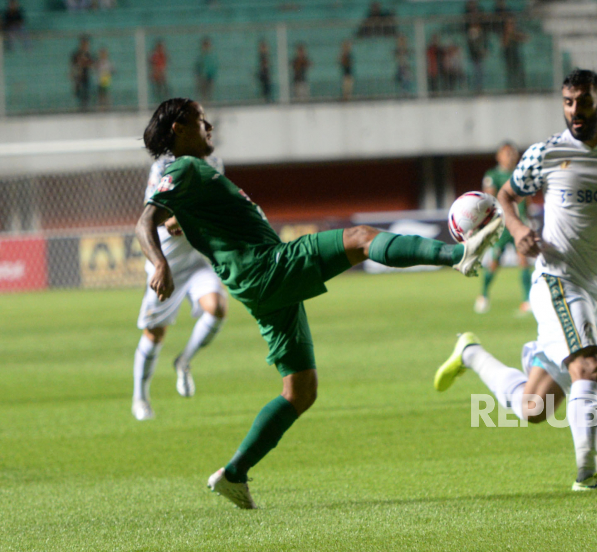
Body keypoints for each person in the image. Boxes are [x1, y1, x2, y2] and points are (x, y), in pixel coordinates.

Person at [136, 98, 504, 509]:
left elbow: (178, 217)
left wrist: (183, 222)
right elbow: (144, 221)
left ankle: (234, 474)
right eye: (201, 121)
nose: (210, 127)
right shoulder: (183, 167)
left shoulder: (196, 173)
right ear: (178, 128)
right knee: (362, 238)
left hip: (259, 283)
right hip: (265, 268)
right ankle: (458, 255)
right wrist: (159, 263)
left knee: (301, 390)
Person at [434, 69, 597, 491]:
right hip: (557, 278)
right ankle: (587, 474)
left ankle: (470, 353)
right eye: (567, 101)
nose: (574, 110)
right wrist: (517, 229)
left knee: (533, 406)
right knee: (588, 366)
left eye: (582, 100)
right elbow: (506, 196)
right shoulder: (547, 153)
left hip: (595, 289)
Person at [132, 153, 228, 421]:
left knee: (217, 307)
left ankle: (184, 361)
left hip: (197, 260)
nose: (207, 129)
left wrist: (185, 217)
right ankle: (140, 397)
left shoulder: (214, 161)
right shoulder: (163, 165)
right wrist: (175, 217)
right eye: (200, 122)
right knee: (155, 333)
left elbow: (217, 203)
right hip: (167, 260)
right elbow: (151, 214)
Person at [474, 141, 532, 315]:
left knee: (523, 260)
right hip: (502, 226)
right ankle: (483, 295)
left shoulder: (521, 173)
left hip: (518, 225)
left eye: (513, 153)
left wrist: (528, 217)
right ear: (499, 156)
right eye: (507, 153)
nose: (510, 157)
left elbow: (526, 198)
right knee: (494, 262)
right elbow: (489, 199)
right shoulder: (493, 175)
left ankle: (527, 301)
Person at [70, 35, 95, 111]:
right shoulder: (76, 54)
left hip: (86, 77)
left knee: (86, 94)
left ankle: (86, 108)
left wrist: (85, 62)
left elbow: (91, 64)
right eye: (84, 44)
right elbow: (73, 65)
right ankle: (79, 109)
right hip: (78, 77)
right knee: (78, 94)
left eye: (86, 44)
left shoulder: (89, 54)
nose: (85, 46)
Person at [502, 18, 526, 91]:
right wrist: (510, 35)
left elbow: (524, 38)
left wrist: (515, 34)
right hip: (508, 56)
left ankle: (521, 87)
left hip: (515, 55)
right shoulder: (505, 34)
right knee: (511, 73)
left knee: (519, 72)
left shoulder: (516, 33)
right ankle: (511, 88)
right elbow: (504, 43)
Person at [194, 37, 217, 102]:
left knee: (209, 91)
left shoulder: (212, 56)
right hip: (202, 77)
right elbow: (198, 66)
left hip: (210, 76)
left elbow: (213, 66)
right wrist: (199, 76)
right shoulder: (201, 56)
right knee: (203, 92)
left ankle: (209, 103)